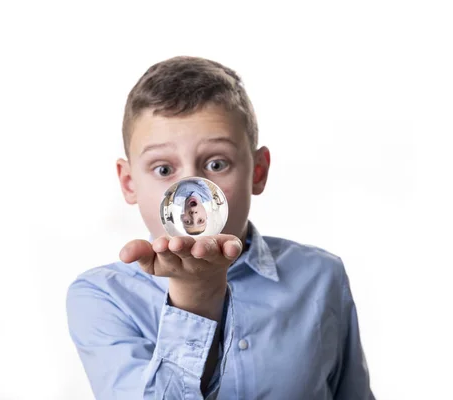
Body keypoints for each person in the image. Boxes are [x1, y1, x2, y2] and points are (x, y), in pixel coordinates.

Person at [66, 56, 375, 399]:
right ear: (129, 183)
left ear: (257, 172)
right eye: (164, 170)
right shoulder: (102, 298)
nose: (192, 192)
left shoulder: (320, 276)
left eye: (216, 163)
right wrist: (194, 299)